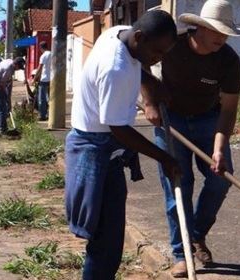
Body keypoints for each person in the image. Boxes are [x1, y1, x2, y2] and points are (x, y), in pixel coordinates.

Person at [65, 10, 181, 280]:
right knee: (103, 241)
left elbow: (139, 67)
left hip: (110, 150)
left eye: (164, 54)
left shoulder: (118, 33)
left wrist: (151, 84)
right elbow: (119, 129)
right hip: (93, 148)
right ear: (139, 37)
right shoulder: (114, 68)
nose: (158, 59)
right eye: (157, 52)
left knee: (112, 238)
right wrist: (164, 157)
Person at [143, 0, 240, 277]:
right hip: (172, 121)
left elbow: (228, 110)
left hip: (208, 120)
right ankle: (181, 254)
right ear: (200, 28)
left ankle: (196, 235)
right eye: (216, 29)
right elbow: (141, 67)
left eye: (226, 31)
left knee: (220, 177)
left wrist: (219, 149)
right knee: (178, 184)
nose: (222, 37)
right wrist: (149, 101)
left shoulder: (228, 60)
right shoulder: (172, 45)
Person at [0, 57, 25, 138]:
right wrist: (6, 95)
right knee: (2, 110)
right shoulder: (8, 69)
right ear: (16, 65)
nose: (18, 70)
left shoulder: (9, 61)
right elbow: (2, 84)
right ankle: (3, 129)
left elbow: (7, 82)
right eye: (19, 68)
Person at [33, 41, 51, 121]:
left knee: (42, 98)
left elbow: (40, 68)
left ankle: (42, 115)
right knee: (50, 98)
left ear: (41, 48)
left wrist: (34, 79)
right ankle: (50, 114)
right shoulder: (52, 54)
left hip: (44, 79)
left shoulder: (43, 56)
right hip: (51, 79)